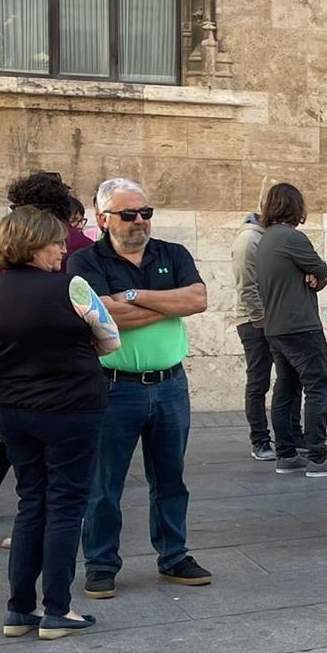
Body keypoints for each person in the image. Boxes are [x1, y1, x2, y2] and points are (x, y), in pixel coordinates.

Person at [0, 206, 119, 639]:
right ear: (35, 243)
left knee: (31, 502)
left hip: (14, 410)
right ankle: (58, 607)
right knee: (66, 505)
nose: (63, 249)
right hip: (71, 407)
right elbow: (110, 340)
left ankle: (19, 609)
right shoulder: (72, 286)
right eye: (57, 241)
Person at [69, 178, 213, 597]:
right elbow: (97, 319)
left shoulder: (173, 253)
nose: (139, 222)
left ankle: (174, 555)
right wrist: (167, 303)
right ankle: (100, 563)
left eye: (145, 213)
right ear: (102, 218)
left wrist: (131, 297)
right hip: (113, 388)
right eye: (128, 214)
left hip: (170, 385)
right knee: (104, 483)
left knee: (171, 479)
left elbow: (199, 300)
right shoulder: (85, 261)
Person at [0, 172, 97, 530]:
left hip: (22, 372)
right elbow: (104, 330)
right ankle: (53, 511)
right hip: (72, 371)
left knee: (26, 461)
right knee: (65, 462)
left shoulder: (30, 244)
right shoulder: (81, 244)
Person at [255, 182, 327, 479]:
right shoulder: (293, 239)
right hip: (301, 326)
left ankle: (286, 455)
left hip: (275, 327)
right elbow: (323, 274)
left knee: (286, 388)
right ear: (296, 207)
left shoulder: (266, 239)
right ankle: (318, 458)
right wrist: (313, 279)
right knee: (318, 388)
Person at [229, 209, 274, 462]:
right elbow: (246, 287)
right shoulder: (249, 240)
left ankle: (288, 435)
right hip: (254, 322)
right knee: (258, 381)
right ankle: (260, 440)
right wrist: (261, 320)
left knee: (286, 378)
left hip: (269, 319)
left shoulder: (262, 237)